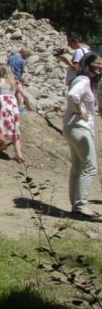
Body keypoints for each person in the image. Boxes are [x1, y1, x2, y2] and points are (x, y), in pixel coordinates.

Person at [63, 53, 102, 220]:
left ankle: (76, 205)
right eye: (98, 64)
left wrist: (91, 109)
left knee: (78, 167)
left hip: (74, 127)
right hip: (79, 128)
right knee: (90, 166)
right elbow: (72, 95)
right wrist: (80, 111)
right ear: (88, 64)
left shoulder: (85, 81)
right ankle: (80, 206)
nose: (101, 67)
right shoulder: (84, 80)